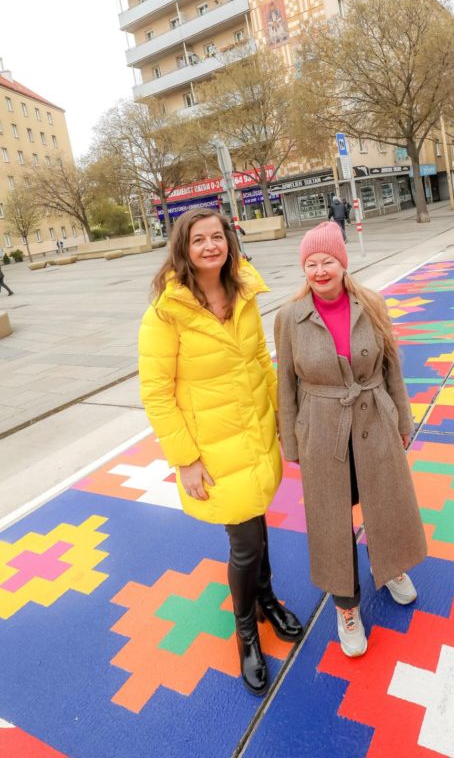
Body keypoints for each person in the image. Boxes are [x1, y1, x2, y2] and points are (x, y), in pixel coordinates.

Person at [138, 207, 302, 696]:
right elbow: (156, 392)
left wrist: (280, 417)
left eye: (217, 236)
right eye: (198, 239)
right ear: (183, 249)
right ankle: (247, 631)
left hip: (253, 433)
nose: (210, 246)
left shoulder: (243, 291)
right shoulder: (167, 311)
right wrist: (185, 459)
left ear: (229, 241)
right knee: (245, 541)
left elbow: (259, 360)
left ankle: (268, 598)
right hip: (211, 447)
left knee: (258, 518)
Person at [274, 222, 427, 658]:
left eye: (327, 261)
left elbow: (391, 368)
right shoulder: (288, 318)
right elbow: (284, 383)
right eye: (310, 263)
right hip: (322, 430)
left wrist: (402, 419)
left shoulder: (372, 304)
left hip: (375, 418)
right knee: (330, 519)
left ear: (343, 262)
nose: (319, 270)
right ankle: (347, 606)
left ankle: (392, 566)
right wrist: (292, 441)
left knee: (385, 500)